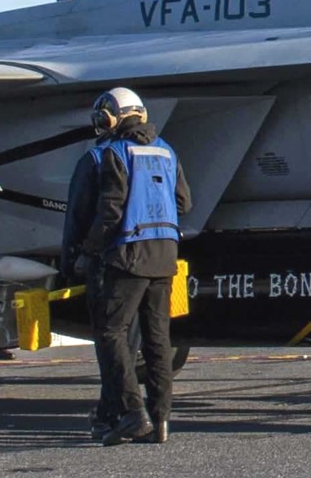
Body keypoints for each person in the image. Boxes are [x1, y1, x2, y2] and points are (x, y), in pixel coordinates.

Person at [66, 87, 190, 447]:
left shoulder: (112, 153)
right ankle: (161, 417)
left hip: (128, 254)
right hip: (165, 254)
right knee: (157, 337)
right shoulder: (166, 151)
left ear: (112, 116)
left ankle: (132, 412)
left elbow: (109, 213)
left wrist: (84, 251)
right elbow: (184, 200)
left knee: (111, 332)